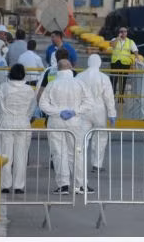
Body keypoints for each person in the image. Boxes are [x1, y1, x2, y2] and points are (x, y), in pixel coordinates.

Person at [39, 59, 95, 195]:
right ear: (70, 68)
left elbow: (43, 104)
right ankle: (80, 185)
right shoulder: (79, 83)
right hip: (75, 122)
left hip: (56, 121)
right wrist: (75, 111)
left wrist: (58, 112)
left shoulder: (52, 84)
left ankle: (63, 185)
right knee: (77, 152)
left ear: (58, 69)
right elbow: (89, 102)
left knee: (59, 153)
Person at [0, 64, 36, 194]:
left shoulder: (3, 88)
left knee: (5, 155)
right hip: (23, 122)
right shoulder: (29, 89)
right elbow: (31, 108)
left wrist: (5, 116)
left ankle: (5, 185)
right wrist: (25, 117)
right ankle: (19, 186)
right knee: (21, 155)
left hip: (7, 122)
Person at [76, 54, 116, 172]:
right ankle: (97, 165)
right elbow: (109, 98)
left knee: (82, 138)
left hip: (84, 110)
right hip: (99, 111)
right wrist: (112, 114)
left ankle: (79, 163)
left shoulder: (79, 76)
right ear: (99, 63)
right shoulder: (103, 77)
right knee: (100, 137)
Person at [110, 26, 139, 96]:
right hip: (115, 62)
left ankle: (121, 96)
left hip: (125, 63)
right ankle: (112, 95)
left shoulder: (130, 41)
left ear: (127, 33)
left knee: (123, 80)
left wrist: (137, 58)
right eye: (121, 31)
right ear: (119, 33)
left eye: (124, 31)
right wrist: (118, 38)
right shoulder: (114, 39)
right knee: (114, 79)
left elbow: (135, 50)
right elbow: (113, 46)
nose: (123, 33)